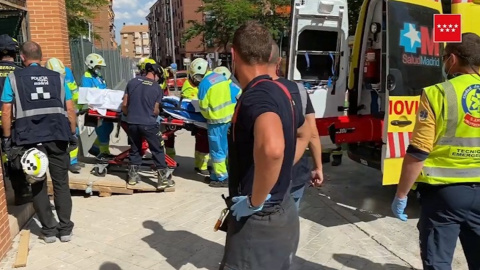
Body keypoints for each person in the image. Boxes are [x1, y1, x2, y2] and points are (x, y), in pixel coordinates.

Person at [220, 20, 309, 270]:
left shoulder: (257, 96)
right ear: (270, 54)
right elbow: (304, 134)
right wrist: (278, 173)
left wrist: (254, 201)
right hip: (282, 210)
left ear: (233, 55)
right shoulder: (283, 90)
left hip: (259, 221)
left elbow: (272, 150)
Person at [391, 33, 480, 270]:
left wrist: (401, 194)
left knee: (438, 262)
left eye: (443, 58)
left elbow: (419, 151)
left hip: (444, 194)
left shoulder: (437, 93)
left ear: (451, 59)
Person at [1, 41, 77, 243]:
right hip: (58, 134)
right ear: (41, 57)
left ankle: (49, 230)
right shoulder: (59, 78)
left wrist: (7, 138)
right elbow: (70, 109)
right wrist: (72, 133)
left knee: (37, 183)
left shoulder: (13, 78)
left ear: (23, 58)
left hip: (29, 137)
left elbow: (6, 110)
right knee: (61, 183)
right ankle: (66, 229)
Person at [267, 43, 324, 209]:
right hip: (296, 172)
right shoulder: (298, 91)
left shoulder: (254, 91)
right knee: (289, 223)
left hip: (265, 174)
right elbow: (312, 133)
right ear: (278, 62)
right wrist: (318, 167)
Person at [122, 63, 173, 190]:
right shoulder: (157, 88)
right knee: (157, 149)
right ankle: (162, 180)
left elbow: (124, 104)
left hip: (132, 123)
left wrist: (131, 115)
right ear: (156, 74)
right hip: (149, 124)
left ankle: (132, 177)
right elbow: (156, 110)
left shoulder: (132, 82)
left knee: (135, 149)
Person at [164, 61, 212, 177]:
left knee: (203, 140)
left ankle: (200, 165)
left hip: (204, 114)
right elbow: (190, 102)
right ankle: (201, 166)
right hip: (197, 115)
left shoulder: (209, 78)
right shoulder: (188, 86)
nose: (198, 81)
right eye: (196, 78)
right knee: (202, 139)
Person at [197, 60, 241, 187]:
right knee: (225, 149)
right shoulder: (221, 77)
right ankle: (218, 175)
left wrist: (206, 116)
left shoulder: (204, 84)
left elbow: (203, 107)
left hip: (215, 122)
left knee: (217, 152)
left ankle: (222, 177)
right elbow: (238, 93)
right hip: (228, 120)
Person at [0, 34, 32, 205]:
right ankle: (21, 192)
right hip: (16, 123)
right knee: (16, 157)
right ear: (15, 53)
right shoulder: (22, 74)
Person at [45, 58, 84, 173]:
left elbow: (74, 91)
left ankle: (73, 161)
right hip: (56, 112)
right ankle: (62, 161)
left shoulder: (66, 73)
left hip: (68, 109)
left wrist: (78, 107)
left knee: (73, 134)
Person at [81, 53, 113, 160]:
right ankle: (104, 152)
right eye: (98, 67)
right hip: (96, 108)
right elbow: (88, 94)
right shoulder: (87, 77)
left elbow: (104, 88)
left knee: (109, 126)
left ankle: (95, 148)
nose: (99, 69)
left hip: (104, 105)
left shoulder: (98, 76)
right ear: (91, 65)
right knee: (103, 128)